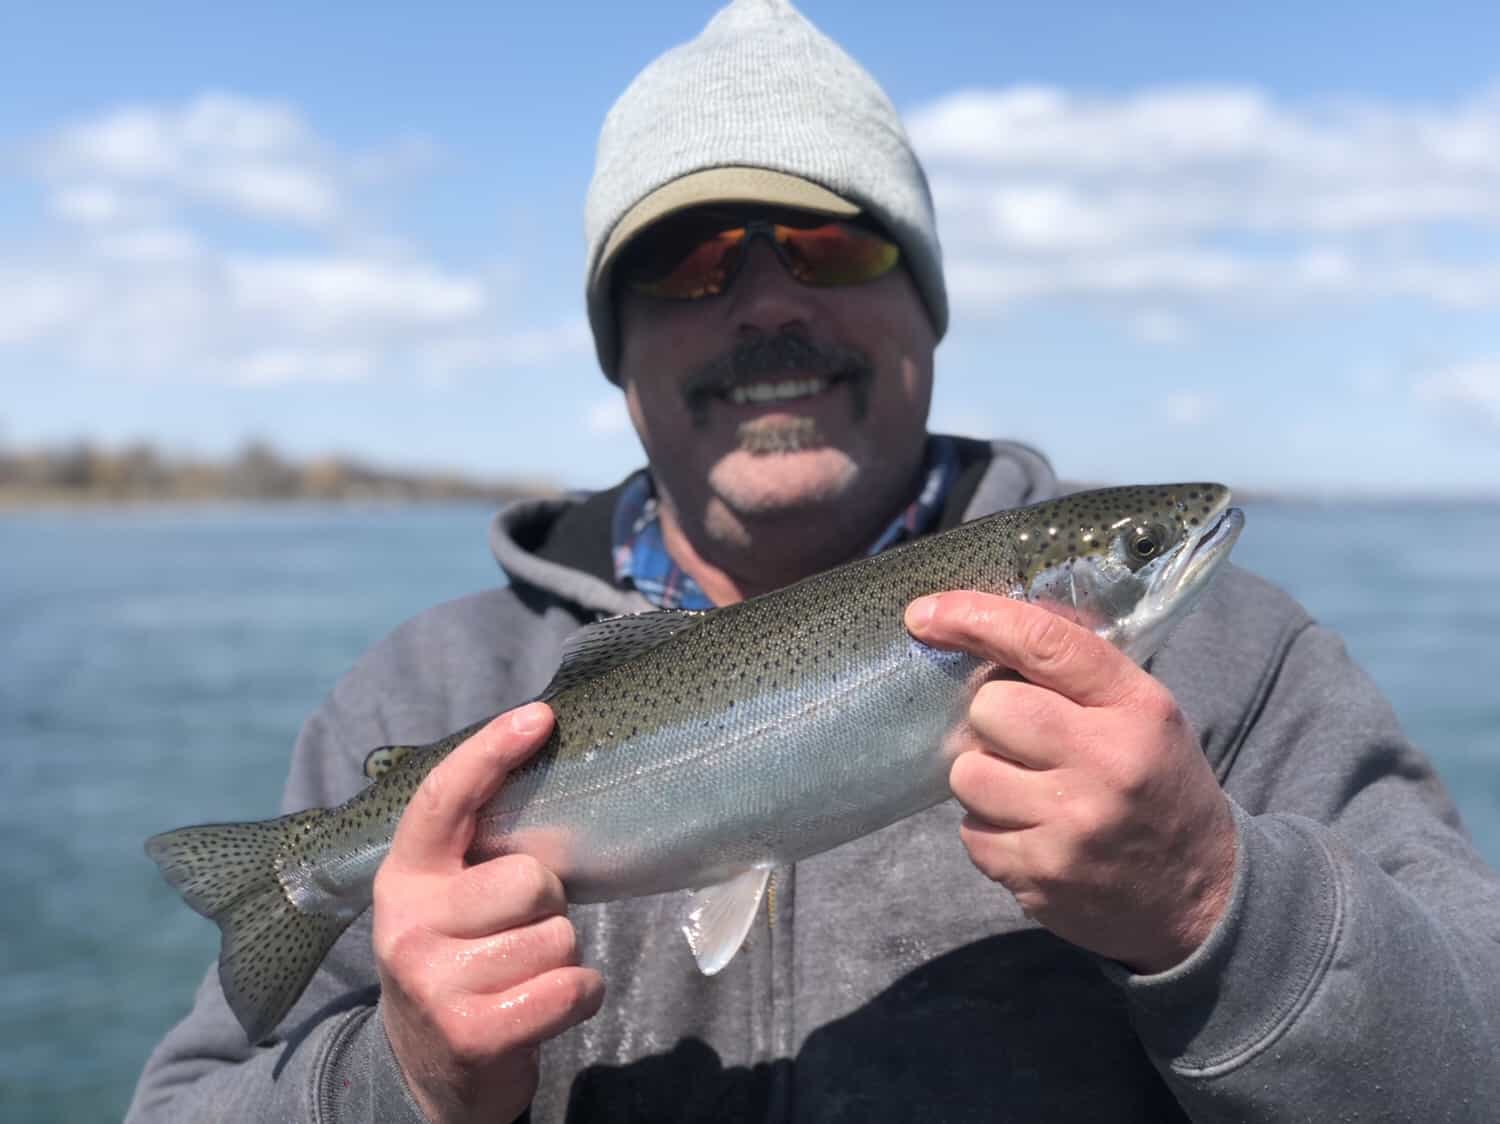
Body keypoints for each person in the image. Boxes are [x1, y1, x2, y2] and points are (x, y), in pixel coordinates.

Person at [128, 2, 1500, 1121]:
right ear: (617, 350)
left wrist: (1221, 906)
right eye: (689, 260)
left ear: (926, 304)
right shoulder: (413, 697)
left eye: (834, 241)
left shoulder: (1235, 666)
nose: (770, 302)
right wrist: (401, 1086)